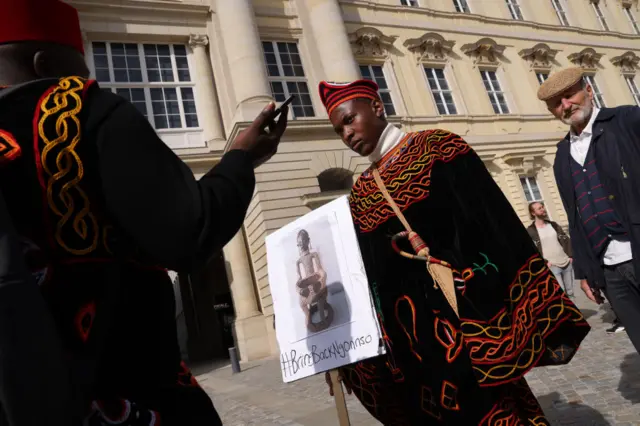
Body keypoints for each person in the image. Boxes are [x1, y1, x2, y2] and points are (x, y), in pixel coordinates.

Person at [0, 0, 288, 424]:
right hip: (120, 393)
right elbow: (189, 231)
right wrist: (239, 159)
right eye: (80, 63)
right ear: (45, 62)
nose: (89, 76)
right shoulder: (80, 109)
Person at [320, 79, 590, 424]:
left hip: (464, 321)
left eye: (349, 120)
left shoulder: (437, 147)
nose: (346, 134)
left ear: (376, 107)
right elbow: (370, 276)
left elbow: (492, 221)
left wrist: (479, 295)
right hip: (415, 347)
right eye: (338, 130)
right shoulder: (362, 191)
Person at [538, 67, 640, 351]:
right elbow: (575, 215)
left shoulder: (627, 120)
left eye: (570, 95)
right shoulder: (561, 154)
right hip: (609, 269)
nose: (566, 105)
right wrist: (585, 269)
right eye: (557, 103)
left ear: (589, 91)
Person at [526, 201, 574, 297]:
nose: (543, 209)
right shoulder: (531, 231)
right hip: (551, 265)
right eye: (539, 208)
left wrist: (570, 256)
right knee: (560, 292)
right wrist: (544, 262)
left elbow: (566, 240)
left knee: (570, 292)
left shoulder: (554, 225)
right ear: (533, 213)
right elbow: (531, 250)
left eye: (542, 206)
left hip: (565, 261)